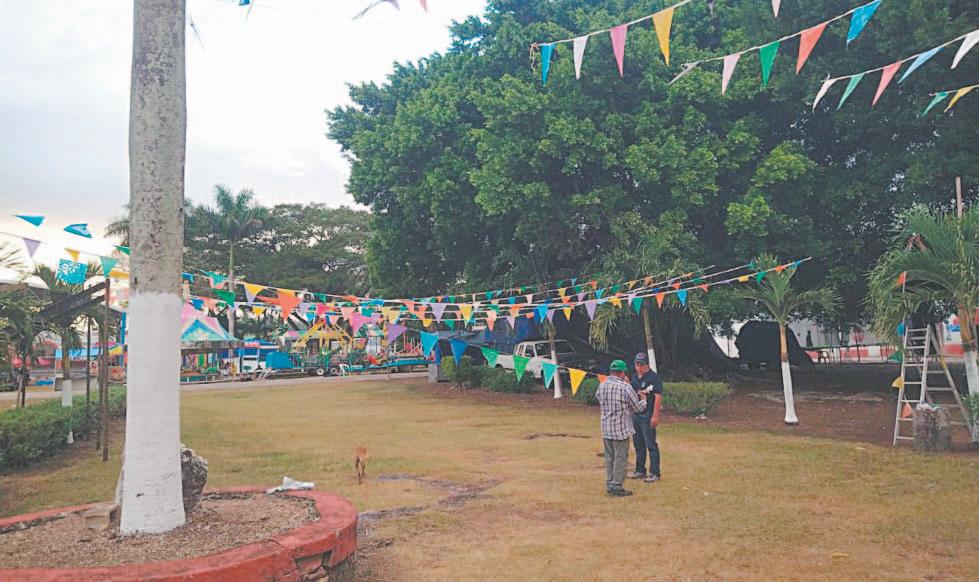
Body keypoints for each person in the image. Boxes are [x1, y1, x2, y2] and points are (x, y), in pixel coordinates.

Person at [597, 360, 647, 497]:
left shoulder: (602, 385)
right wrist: (644, 400)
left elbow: (598, 399)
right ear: (623, 372)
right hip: (620, 429)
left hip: (606, 427)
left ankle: (610, 483)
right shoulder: (625, 387)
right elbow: (637, 408)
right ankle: (617, 486)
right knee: (621, 458)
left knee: (609, 457)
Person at [627, 352, 663, 483]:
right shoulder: (634, 377)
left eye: (641, 365)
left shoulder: (654, 378)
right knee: (638, 443)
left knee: (651, 444)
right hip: (636, 413)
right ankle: (640, 469)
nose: (639, 367)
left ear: (647, 365)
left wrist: (655, 416)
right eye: (637, 365)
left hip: (648, 414)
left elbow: (658, 397)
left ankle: (655, 472)